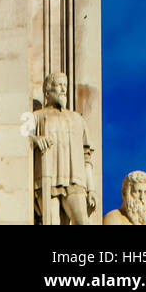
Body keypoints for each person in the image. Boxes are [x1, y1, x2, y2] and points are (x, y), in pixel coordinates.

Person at [30, 71, 95, 225]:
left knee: (83, 222)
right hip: (47, 179)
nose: (64, 90)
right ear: (47, 91)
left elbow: (87, 157)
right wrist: (35, 139)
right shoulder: (36, 116)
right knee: (51, 222)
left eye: (65, 85)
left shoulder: (77, 119)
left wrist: (91, 189)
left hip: (74, 181)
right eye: (59, 85)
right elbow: (19, 138)